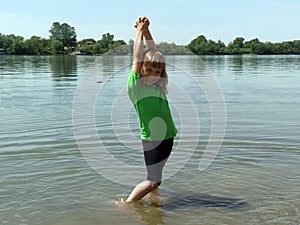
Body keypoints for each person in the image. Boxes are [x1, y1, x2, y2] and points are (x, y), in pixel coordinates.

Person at [126, 16, 177, 202]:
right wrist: (138, 31)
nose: (153, 75)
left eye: (157, 72)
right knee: (153, 179)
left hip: (167, 136)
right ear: (141, 70)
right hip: (153, 139)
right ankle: (127, 205)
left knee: (157, 178)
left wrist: (147, 29)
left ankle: (154, 202)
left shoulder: (157, 84)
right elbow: (138, 57)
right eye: (149, 71)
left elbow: (153, 51)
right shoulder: (137, 86)